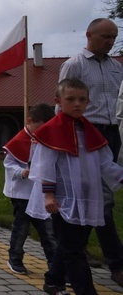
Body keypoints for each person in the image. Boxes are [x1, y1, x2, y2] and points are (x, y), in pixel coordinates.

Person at [27, 78, 123, 295]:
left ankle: (53, 281)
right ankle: (85, 291)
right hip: (62, 200)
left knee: (71, 244)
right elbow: (45, 165)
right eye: (70, 99)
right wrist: (49, 195)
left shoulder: (90, 131)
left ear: (88, 101)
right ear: (58, 101)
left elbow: (106, 164)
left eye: (82, 99)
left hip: (88, 198)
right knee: (73, 250)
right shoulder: (51, 130)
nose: (77, 104)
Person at [62, 18, 123, 285]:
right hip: (86, 132)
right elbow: (63, 103)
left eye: (113, 37)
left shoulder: (116, 68)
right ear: (89, 35)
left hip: (113, 132)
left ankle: (73, 248)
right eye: (105, 37)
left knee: (96, 198)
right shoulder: (74, 65)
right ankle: (117, 263)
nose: (110, 42)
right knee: (103, 201)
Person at [2, 103, 65, 293]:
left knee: (48, 231)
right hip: (22, 194)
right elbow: (8, 164)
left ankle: (55, 267)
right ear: (29, 122)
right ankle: (15, 257)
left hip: (40, 194)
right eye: (40, 127)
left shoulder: (46, 140)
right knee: (21, 228)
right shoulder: (18, 140)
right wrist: (23, 172)